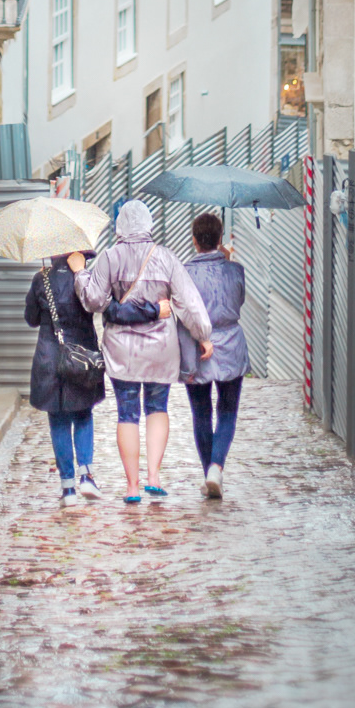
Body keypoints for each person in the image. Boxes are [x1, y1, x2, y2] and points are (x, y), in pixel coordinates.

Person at [70, 199, 213, 503]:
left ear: (120, 225)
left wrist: (80, 274)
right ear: (149, 225)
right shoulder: (165, 258)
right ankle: (154, 477)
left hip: (122, 350)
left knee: (127, 413)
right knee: (157, 408)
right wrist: (203, 335)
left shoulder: (109, 257)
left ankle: (132, 486)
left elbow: (93, 300)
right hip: (161, 348)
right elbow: (189, 301)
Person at [23, 251, 106, 504]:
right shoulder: (86, 278)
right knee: (82, 414)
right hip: (81, 358)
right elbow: (96, 306)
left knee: (58, 419)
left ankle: (68, 489)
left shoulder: (42, 279)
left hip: (50, 358)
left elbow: (31, 319)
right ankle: (86, 476)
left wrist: (42, 289)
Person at [178, 211, 248, 499]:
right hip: (231, 345)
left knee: (201, 413)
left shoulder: (184, 273)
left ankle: (210, 470)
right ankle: (216, 468)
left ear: (194, 241)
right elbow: (238, 300)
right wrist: (228, 263)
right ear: (220, 240)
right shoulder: (235, 270)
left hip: (197, 348)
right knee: (228, 411)